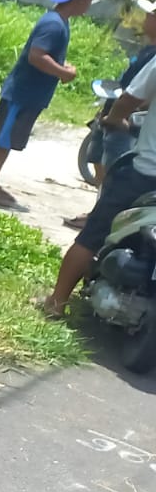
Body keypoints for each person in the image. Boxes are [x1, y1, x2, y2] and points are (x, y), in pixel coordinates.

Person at [42, 53, 156, 317]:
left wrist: (115, 119)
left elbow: (131, 97)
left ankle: (56, 302)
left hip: (145, 173)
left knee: (94, 234)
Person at [0, 0, 100, 210]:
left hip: (29, 95)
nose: (90, 5)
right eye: (91, 0)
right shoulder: (54, 24)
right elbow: (37, 56)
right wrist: (64, 73)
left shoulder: (59, 21)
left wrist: (62, 66)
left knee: (7, 141)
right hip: (22, 93)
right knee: (4, 140)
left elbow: (46, 55)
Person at [65, 0, 156, 230]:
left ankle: (101, 221)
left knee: (116, 177)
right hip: (112, 117)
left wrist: (123, 116)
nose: (148, 18)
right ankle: (97, 214)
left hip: (126, 124)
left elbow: (139, 97)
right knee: (100, 165)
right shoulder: (147, 50)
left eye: (153, 15)